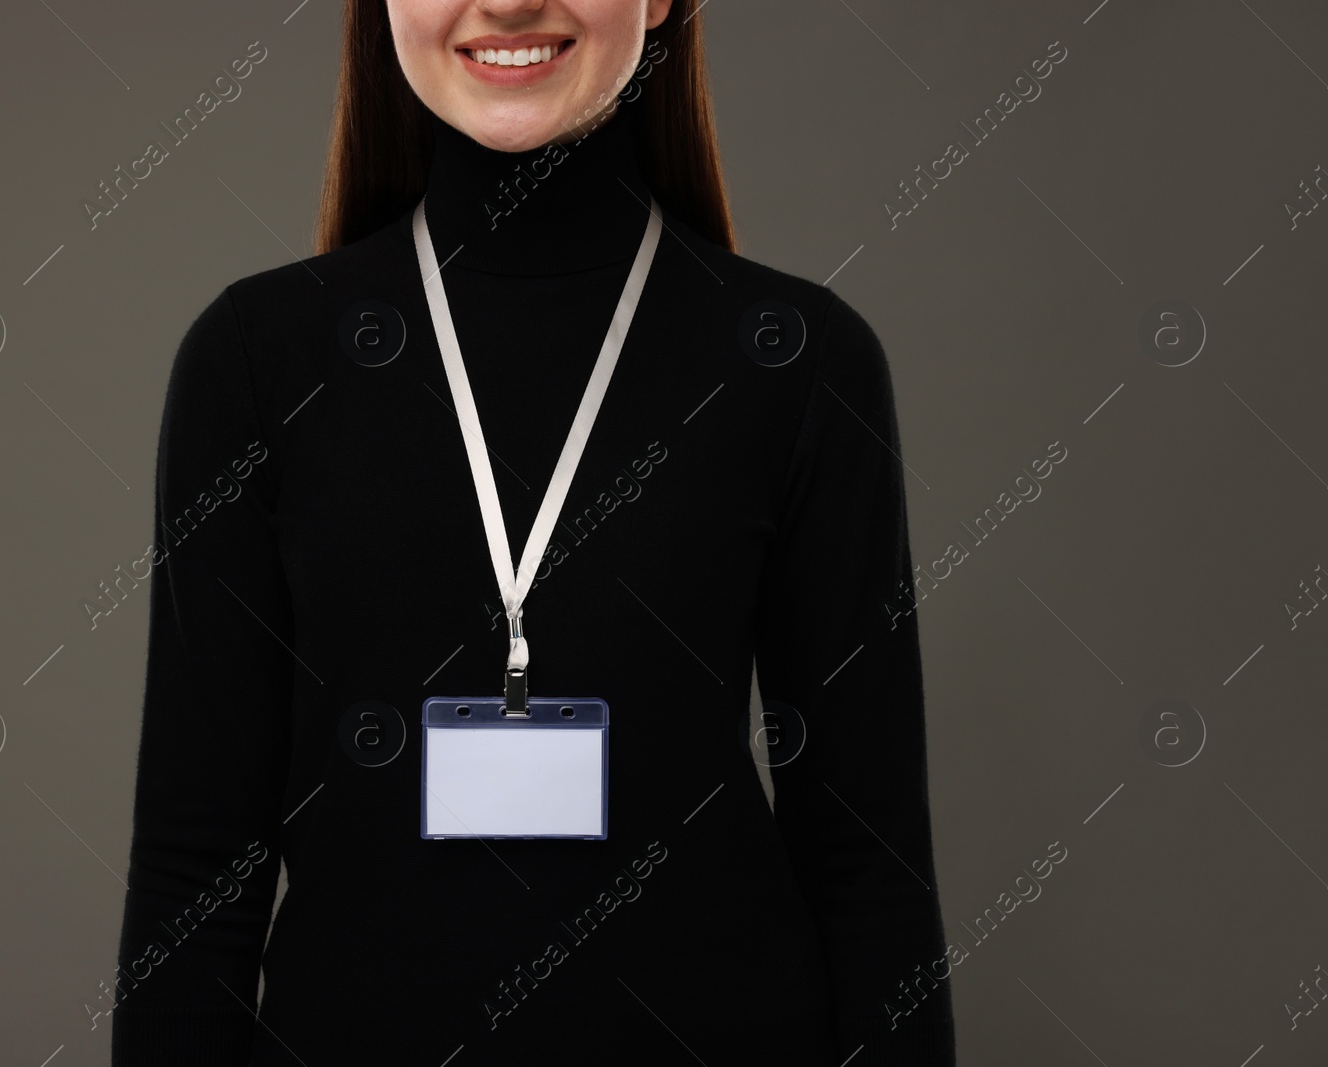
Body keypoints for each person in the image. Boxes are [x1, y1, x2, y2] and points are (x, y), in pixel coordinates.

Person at [111, 0, 956, 1063]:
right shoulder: (254, 359)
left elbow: (865, 859)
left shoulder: (796, 360)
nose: (507, 1)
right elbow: (198, 863)